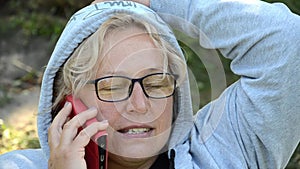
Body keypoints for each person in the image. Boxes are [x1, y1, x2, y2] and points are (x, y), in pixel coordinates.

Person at [0, 0, 299, 168]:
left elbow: (288, 42)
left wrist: (163, 1)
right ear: (69, 104)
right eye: (113, 87)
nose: (140, 105)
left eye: (156, 83)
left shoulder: (223, 152)